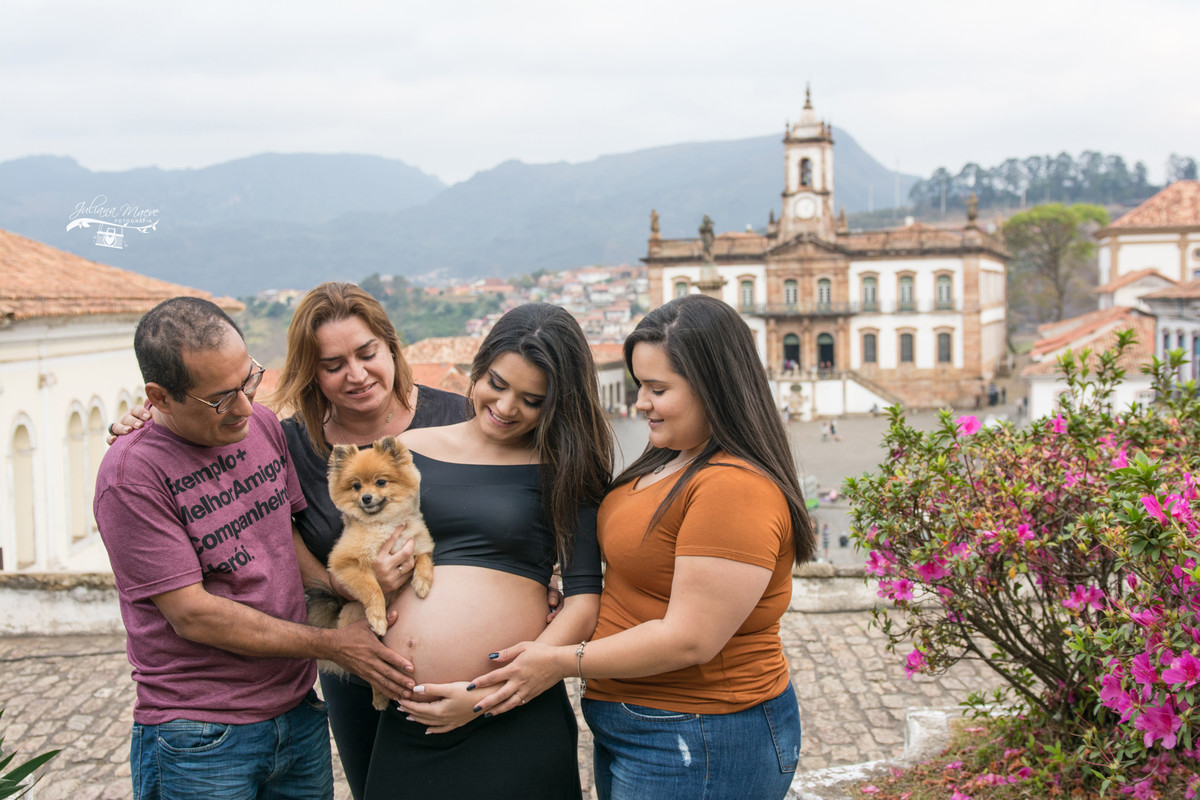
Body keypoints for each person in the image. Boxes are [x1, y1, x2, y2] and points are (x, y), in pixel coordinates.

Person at [469, 294, 812, 800]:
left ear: (715, 388)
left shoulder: (733, 487)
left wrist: (560, 661)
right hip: (651, 726)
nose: (640, 404)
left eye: (658, 389)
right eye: (639, 386)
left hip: (699, 732)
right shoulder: (674, 454)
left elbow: (690, 639)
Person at [95, 297, 417, 800]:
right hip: (201, 736)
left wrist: (337, 584)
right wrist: (334, 646)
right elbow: (193, 614)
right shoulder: (132, 477)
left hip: (297, 713)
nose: (245, 407)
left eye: (249, 380)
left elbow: (280, 534)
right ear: (158, 396)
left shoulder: (260, 427)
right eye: (220, 399)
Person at [364, 302, 613, 799]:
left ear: (556, 404)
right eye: (496, 383)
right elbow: (362, 557)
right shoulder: (406, 449)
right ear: (478, 371)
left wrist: (487, 696)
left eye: (531, 399)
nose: (505, 406)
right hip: (411, 721)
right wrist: (375, 577)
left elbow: (584, 602)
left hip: (513, 715)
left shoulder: (565, 469)